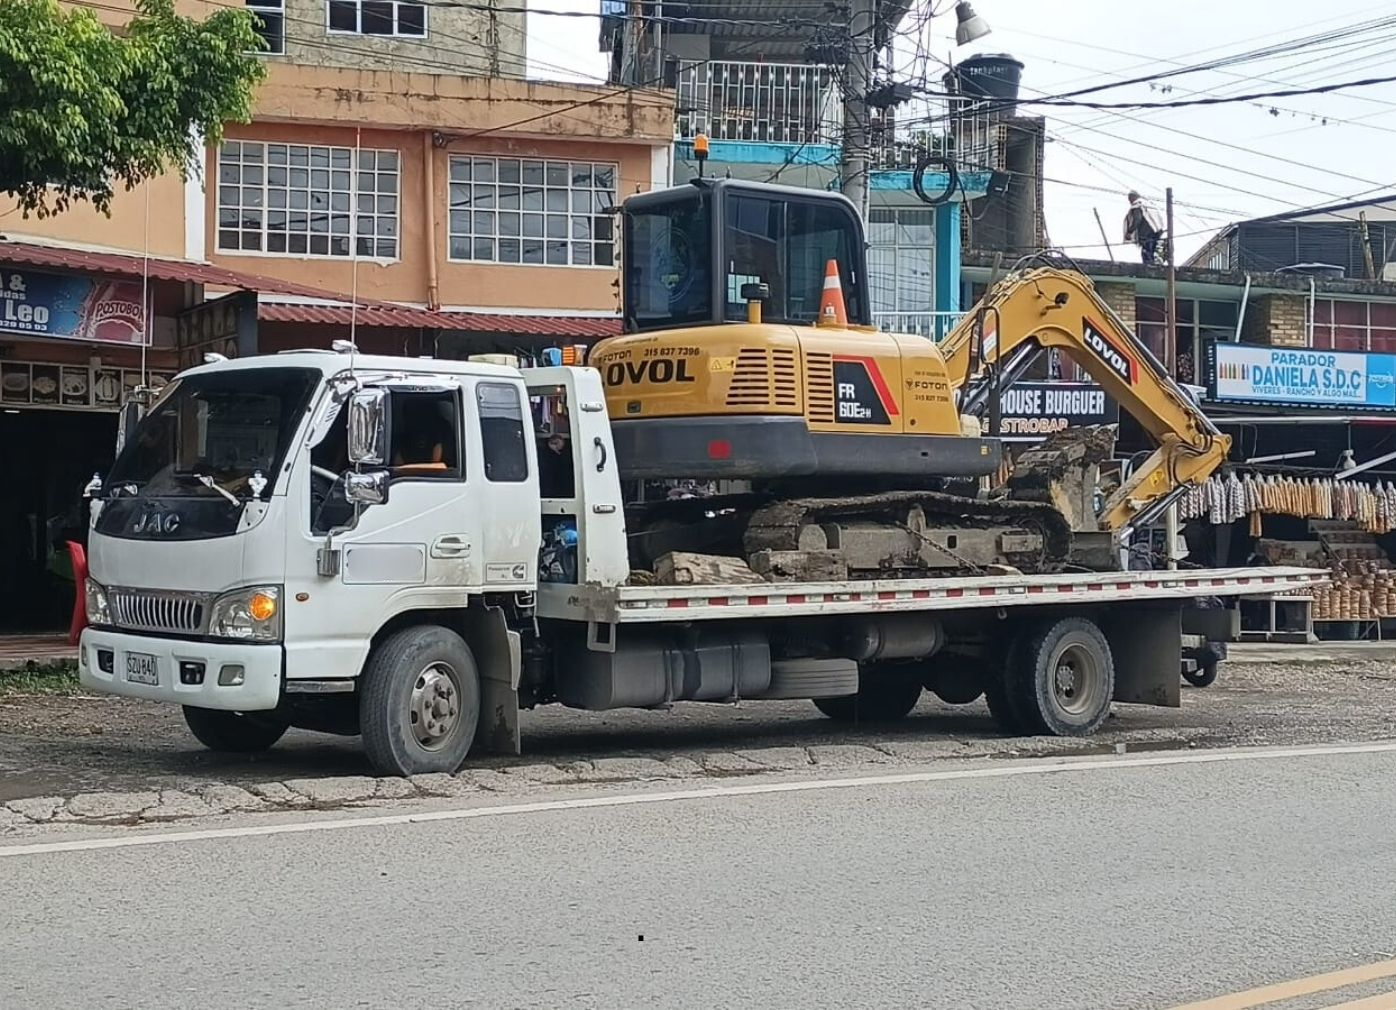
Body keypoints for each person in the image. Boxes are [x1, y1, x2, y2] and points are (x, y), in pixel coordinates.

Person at [1123, 190, 1164, 264]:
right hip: (1156, 231)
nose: (1129, 201)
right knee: (1152, 251)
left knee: (1146, 252)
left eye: (1129, 199)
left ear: (1133, 197)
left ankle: (1149, 267)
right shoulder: (1148, 205)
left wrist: (1130, 231)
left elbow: (1137, 219)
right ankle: (1152, 265)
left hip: (1145, 232)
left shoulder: (1137, 205)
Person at [537, 429, 574, 498]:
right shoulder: (545, 454)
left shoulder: (566, 453)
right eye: (556, 444)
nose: (558, 447)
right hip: (550, 484)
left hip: (563, 483)